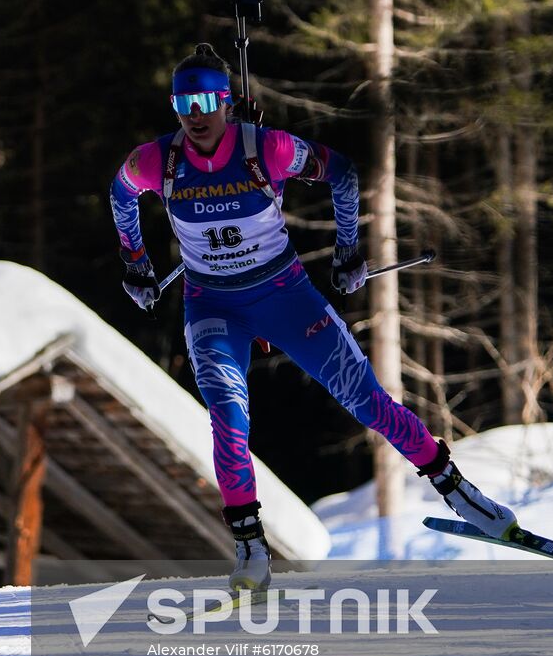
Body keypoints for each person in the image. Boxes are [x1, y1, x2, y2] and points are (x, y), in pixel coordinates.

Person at [108, 43, 516, 591]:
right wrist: (135, 262)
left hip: (286, 297)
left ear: (226, 100)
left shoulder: (268, 148)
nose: (196, 114)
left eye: (207, 99)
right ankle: (250, 548)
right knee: (228, 416)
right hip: (212, 305)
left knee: (365, 398)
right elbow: (121, 190)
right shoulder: (160, 161)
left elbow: (342, 174)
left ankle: (459, 491)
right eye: (184, 102)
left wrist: (350, 251)